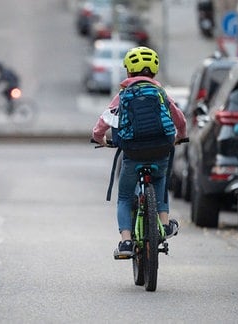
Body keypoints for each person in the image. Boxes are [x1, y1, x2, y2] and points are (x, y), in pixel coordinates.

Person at [91, 46, 187, 257]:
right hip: (162, 147)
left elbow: (103, 121)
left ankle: (126, 242)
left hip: (133, 152)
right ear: (154, 72)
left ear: (128, 72)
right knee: (160, 182)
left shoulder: (124, 94)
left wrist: (99, 138)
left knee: (125, 196)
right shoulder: (160, 93)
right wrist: (180, 135)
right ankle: (165, 223)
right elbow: (179, 117)